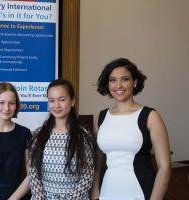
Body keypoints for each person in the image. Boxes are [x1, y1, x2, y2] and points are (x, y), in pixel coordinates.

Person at [91, 58, 171, 200]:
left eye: (125, 79)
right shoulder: (101, 117)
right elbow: (98, 163)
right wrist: (95, 191)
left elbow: (165, 167)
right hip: (106, 192)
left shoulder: (150, 116)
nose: (118, 85)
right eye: (112, 80)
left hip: (141, 193)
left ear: (134, 82)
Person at [28, 78, 95, 199]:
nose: (56, 105)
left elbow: (88, 175)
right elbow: (33, 172)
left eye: (62, 100)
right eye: (51, 100)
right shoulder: (39, 134)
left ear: (73, 101)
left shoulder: (83, 135)